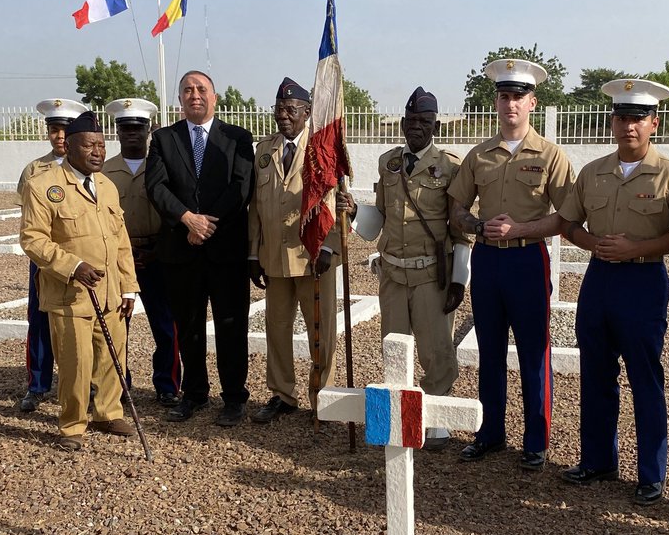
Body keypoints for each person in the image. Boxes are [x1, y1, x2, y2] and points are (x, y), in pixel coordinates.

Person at [556, 79, 669, 504]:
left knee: (644, 377)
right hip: (599, 279)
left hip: (643, 280)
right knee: (596, 372)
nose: (628, 127)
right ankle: (598, 460)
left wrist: (637, 248)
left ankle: (651, 473)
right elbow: (568, 223)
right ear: (612, 121)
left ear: (654, 123)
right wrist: (590, 244)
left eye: (637, 119)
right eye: (621, 118)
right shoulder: (593, 172)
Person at [447, 59, 574, 471]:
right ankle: (490, 433)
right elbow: (455, 207)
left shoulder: (550, 155)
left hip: (526, 260)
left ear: (533, 102)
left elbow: (566, 215)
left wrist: (520, 227)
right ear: (496, 102)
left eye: (519, 96)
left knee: (534, 351)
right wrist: (479, 225)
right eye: (504, 96)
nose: (510, 104)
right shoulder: (480, 155)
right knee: (489, 348)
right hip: (487, 259)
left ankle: (536, 441)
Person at [336, 87, 471, 449]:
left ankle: (435, 418)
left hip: (431, 274)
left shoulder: (451, 168)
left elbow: (459, 230)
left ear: (436, 126)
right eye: (410, 121)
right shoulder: (388, 162)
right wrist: (353, 211)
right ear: (402, 124)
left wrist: (459, 279)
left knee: (436, 350)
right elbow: (379, 219)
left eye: (424, 122)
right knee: (393, 347)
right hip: (393, 274)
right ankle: (394, 419)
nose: (416, 128)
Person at [19, 111, 138, 451]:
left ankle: (108, 411)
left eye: (101, 145)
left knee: (112, 355)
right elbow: (33, 239)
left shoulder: (107, 186)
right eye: (89, 145)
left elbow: (120, 240)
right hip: (70, 293)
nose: (98, 152)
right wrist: (73, 266)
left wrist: (128, 286)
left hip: (110, 292)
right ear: (69, 147)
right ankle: (72, 423)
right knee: (76, 361)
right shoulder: (44, 186)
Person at [145, 71, 255, 425]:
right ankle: (193, 393)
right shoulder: (163, 139)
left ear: (215, 97)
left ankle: (234, 397)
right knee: (188, 325)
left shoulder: (237, 138)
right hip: (181, 249)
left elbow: (241, 187)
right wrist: (187, 219)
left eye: (201, 89)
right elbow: (156, 186)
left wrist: (205, 223)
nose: (195, 95)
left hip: (225, 251)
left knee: (230, 325)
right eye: (188, 90)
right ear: (180, 99)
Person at [248, 77, 341, 422]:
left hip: (312, 255)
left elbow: (333, 201)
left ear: (306, 112)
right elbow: (256, 206)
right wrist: (253, 254)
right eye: (279, 109)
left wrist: (329, 247)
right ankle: (283, 394)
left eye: (291, 109)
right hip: (273, 256)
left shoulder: (322, 149)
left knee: (321, 330)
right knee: (277, 327)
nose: (283, 115)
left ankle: (324, 398)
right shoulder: (264, 150)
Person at [102, 97, 182, 406]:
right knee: (117, 325)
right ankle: (119, 384)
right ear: (117, 132)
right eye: (125, 128)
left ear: (149, 130)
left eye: (138, 128)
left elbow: (174, 213)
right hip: (121, 259)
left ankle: (167, 385)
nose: (132, 134)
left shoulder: (162, 168)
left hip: (159, 255)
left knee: (166, 325)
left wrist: (159, 250)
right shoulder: (105, 172)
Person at [17, 98, 88, 413]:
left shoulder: (89, 164)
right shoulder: (35, 170)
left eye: (65, 130)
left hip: (83, 258)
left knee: (87, 321)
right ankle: (38, 385)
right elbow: (30, 222)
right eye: (53, 129)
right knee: (40, 320)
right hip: (45, 261)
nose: (59, 136)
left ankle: (91, 383)